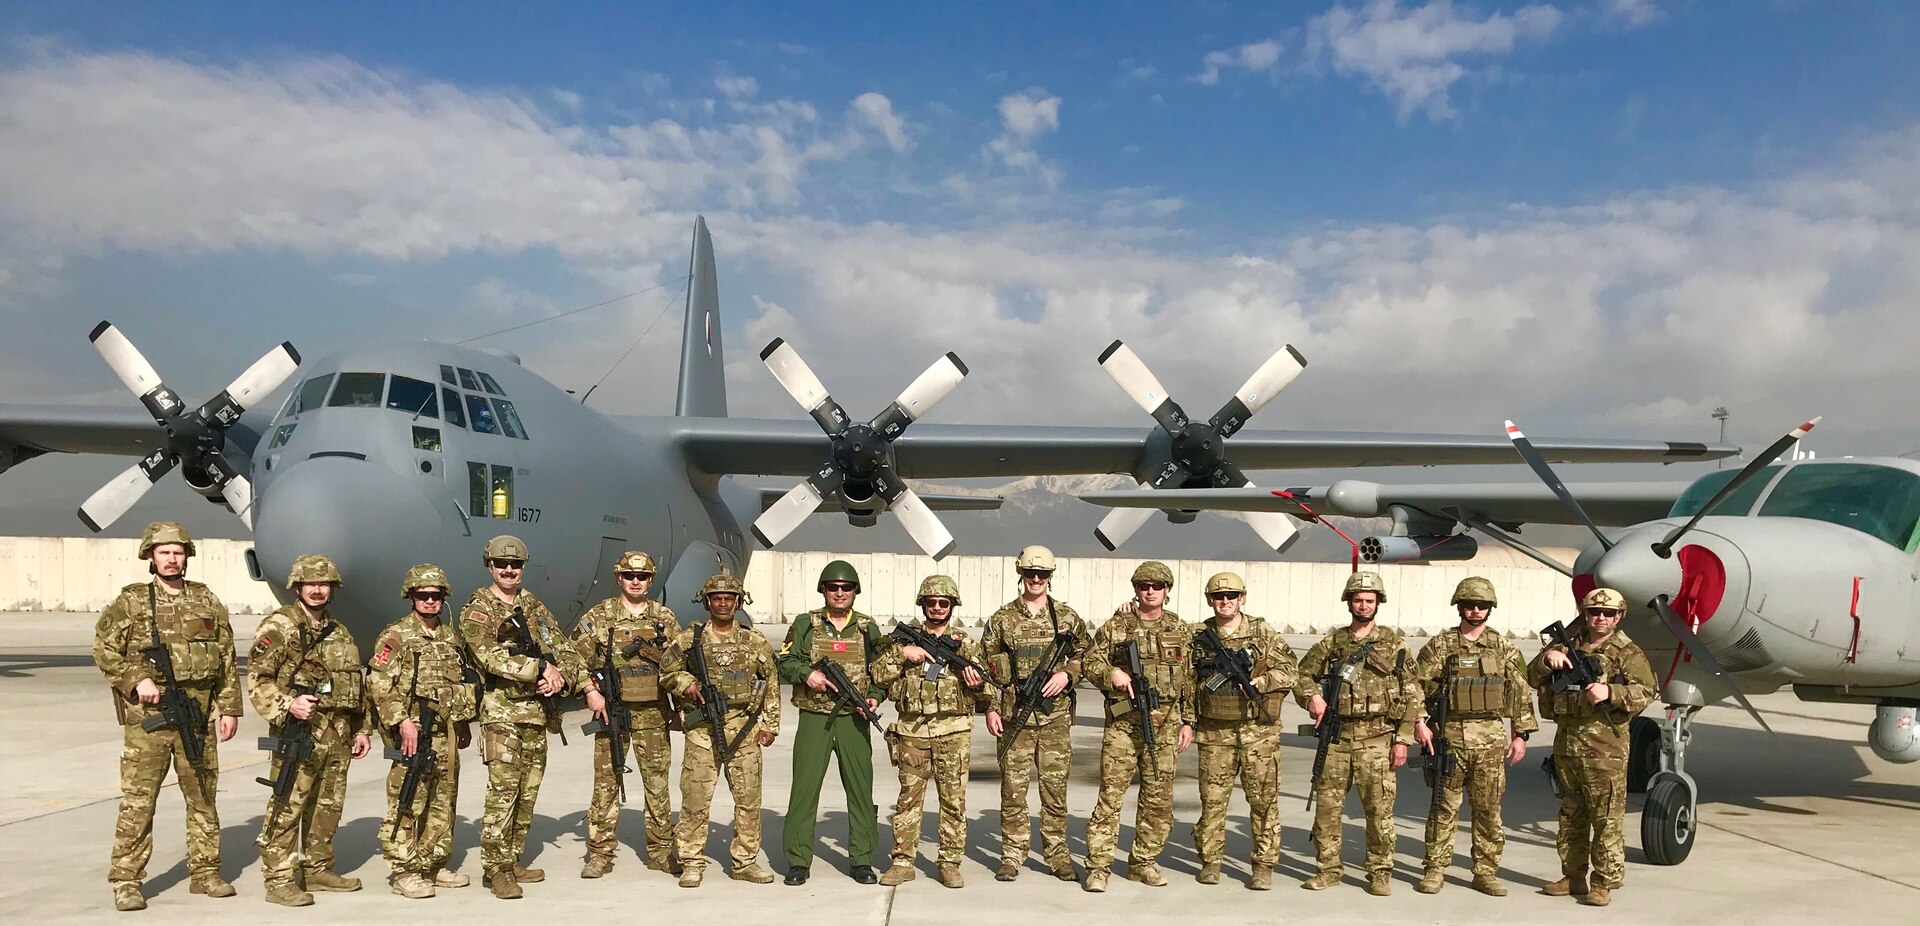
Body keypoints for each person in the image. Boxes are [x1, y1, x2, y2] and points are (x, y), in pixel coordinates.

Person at [92, 521, 242, 911]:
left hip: (196, 714)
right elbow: (104, 648)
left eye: (178, 552)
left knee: (203, 797)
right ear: (150, 556)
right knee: (140, 800)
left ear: (186, 557)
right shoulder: (133, 602)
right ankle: (126, 880)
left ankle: (206, 872)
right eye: (164, 553)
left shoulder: (206, 600)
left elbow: (226, 657)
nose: (172, 559)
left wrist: (229, 708)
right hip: (150, 718)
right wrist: (136, 678)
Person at [460, 534, 588, 899]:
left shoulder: (532, 605)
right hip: (502, 713)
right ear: (490, 566)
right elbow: (488, 656)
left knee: (527, 793)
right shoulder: (479, 607)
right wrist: (540, 669)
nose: (509, 570)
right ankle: (495, 869)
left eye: (515, 565)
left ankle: (512, 858)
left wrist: (563, 675)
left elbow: (560, 644)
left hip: (535, 714)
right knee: (503, 793)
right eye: (502, 564)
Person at [247, 554, 371, 906]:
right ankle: (279, 878)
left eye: (324, 584)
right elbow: (258, 679)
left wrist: (362, 729)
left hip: (338, 735)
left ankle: (317, 868)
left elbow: (355, 684)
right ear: (297, 587)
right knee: (288, 802)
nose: (317, 590)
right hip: (299, 734)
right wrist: (289, 704)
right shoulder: (280, 627)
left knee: (328, 804)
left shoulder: (340, 631)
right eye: (310, 584)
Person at [1528, 587, 1656, 908]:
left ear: (1619, 616)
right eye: (1594, 612)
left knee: (1606, 818)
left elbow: (1646, 692)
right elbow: (1530, 675)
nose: (1601, 618)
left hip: (1605, 750)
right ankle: (1572, 877)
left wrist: (1610, 692)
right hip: (1567, 747)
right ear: (1585, 614)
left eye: (1608, 614)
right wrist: (1547, 659)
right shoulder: (1568, 644)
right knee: (1571, 815)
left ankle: (1603, 882)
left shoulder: (1628, 653)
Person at [1412, 576, 1539, 896]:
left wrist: (1520, 734)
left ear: (1489, 608)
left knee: (1488, 810)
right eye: (1469, 604)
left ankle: (1485, 871)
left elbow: (1520, 691)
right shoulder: (1441, 645)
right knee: (1443, 807)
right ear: (1459, 606)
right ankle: (1435, 868)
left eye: (1481, 605)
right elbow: (1414, 684)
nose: (1475, 610)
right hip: (1450, 737)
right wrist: (1418, 721)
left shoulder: (1504, 647)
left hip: (1491, 741)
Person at [1296, 570, 1418, 896]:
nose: (1363, 605)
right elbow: (1301, 674)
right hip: (1337, 738)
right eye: (1358, 600)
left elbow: (1411, 693)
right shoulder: (1332, 642)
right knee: (1327, 810)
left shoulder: (1394, 643)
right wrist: (1313, 697)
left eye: (1369, 600)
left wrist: (1403, 739)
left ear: (1378, 603)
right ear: (1349, 602)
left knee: (1379, 813)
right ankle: (1328, 869)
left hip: (1377, 739)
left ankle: (1379, 873)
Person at [661, 569, 781, 887]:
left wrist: (770, 724)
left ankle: (745, 862)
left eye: (729, 598)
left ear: (738, 602)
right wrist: (685, 682)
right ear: (707, 602)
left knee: (748, 799)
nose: (723, 604)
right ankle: (691, 861)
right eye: (717, 598)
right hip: (702, 731)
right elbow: (667, 669)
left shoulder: (753, 640)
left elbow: (770, 681)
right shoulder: (690, 639)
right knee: (695, 798)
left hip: (744, 728)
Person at [1081, 561, 1196, 893]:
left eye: (1157, 586)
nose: (1150, 591)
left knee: (1157, 798)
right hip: (1123, 725)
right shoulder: (1117, 626)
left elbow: (1190, 678)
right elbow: (1091, 661)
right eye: (1144, 585)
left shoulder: (1180, 628)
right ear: (1136, 589)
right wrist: (1111, 674)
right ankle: (1099, 866)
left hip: (1166, 726)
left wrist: (1188, 721)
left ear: (1167, 591)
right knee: (1111, 796)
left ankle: (1144, 861)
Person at [872, 576, 990, 888]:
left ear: (952, 606)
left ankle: (949, 861)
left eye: (943, 603)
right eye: (931, 602)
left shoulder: (966, 645)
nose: (937, 608)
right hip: (912, 731)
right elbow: (879, 674)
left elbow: (986, 690)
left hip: (953, 731)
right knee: (909, 798)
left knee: (953, 800)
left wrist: (976, 684)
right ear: (923, 605)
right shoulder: (903, 642)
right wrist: (903, 654)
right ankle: (902, 860)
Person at [368, 564, 478, 899]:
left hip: (445, 732)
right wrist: (402, 722)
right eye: (423, 595)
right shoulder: (396, 636)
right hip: (413, 733)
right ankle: (405, 870)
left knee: (443, 801)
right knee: (408, 800)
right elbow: (379, 684)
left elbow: (459, 681)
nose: (430, 601)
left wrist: (461, 723)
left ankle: (432, 862)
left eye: (436, 596)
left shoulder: (450, 636)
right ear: (411, 596)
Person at [981, 544, 1089, 882]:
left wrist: (1067, 674)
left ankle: (1058, 855)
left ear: (1051, 576)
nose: (1036, 579)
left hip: (1054, 718)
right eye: (1031, 574)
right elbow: (985, 666)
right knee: (1013, 790)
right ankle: (1012, 855)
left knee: (1054, 790)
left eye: (1043, 574)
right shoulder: (1002, 619)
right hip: (1016, 716)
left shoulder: (1067, 618)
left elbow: (1088, 654)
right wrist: (990, 708)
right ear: (1021, 574)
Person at [775, 559, 886, 886]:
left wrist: (876, 696)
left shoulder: (867, 628)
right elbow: (784, 661)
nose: (839, 593)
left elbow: (882, 671)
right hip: (815, 719)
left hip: (853, 720)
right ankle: (798, 860)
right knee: (804, 790)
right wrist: (807, 674)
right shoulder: (805, 624)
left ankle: (862, 859)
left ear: (855, 592)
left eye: (846, 588)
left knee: (860, 789)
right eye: (833, 587)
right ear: (824, 590)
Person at [573, 551, 681, 879]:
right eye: (629, 576)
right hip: (612, 712)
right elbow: (572, 656)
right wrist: (589, 689)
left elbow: (680, 666)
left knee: (657, 784)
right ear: (619, 578)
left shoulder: (665, 618)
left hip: (653, 714)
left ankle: (661, 850)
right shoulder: (600, 615)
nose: (636, 582)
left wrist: (677, 710)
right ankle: (600, 852)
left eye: (643, 577)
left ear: (650, 580)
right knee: (606, 783)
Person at [1190, 572, 1297, 891]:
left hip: (1258, 734)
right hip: (1214, 734)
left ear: (1243, 598)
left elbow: (1290, 669)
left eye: (1232, 596)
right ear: (1210, 600)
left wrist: (1262, 682)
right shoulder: (1198, 634)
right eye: (1219, 596)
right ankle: (1211, 861)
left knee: (1263, 801)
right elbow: (1184, 678)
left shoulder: (1262, 632)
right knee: (1212, 800)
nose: (1225, 601)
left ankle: (1263, 865)